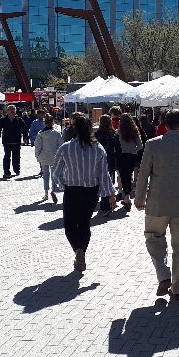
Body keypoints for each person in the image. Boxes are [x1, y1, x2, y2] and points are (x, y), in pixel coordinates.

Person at [135, 109, 179, 302]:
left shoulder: (152, 145)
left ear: (165, 125)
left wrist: (139, 198)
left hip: (156, 203)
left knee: (153, 238)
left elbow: (143, 174)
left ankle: (163, 274)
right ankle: (178, 287)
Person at [52, 113, 116, 272]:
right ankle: (82, 251)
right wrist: (109, 194)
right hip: (91, 192)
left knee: (70, 224)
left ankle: (78, 250)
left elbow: (56, 171)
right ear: (89, 129)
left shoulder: (66, 148)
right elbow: (104, 173)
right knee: (85, 223)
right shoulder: (98, 148)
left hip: (72, 190)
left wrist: (62, 185)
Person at [116, 113, 143, 212]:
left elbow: (116, 145)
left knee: (123, 176)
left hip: (121, 156)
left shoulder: (118, 132)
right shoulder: (135, 132)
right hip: (131, 156)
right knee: (128, 175)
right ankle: (127, 197)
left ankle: (126, 197)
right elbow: (140, 146)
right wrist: (133, 148)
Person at [34, 113, 63, 203]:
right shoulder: (57, 133)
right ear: (53, 122)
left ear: (44, 122)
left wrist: (37, 156)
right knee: (54, 176)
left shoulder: (40, 134)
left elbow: (37, 146)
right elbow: (61, 145)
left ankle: (46, 193)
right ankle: (53, 191)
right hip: (54, 157)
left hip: (43, 157)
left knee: (45, 175)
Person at [95, 114, 119, 217]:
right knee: (108, 182)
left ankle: (104, 205)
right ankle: (106, 204)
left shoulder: (97, 134)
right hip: (110, 159)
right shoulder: (113, 133)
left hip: (99, 160)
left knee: (100, 182)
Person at [0, 104, 27, 177]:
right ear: (7, 111)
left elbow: (24, 129)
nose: (12, 111)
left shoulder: (19, 119)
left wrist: (25, 137)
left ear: (15, 111)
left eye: (13, 109)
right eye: (10, 109)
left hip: (16, 141)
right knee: (7, 157)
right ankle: (6, 172)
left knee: (16, 157)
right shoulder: (3, 120)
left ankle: (16, 170)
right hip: (7, 141)